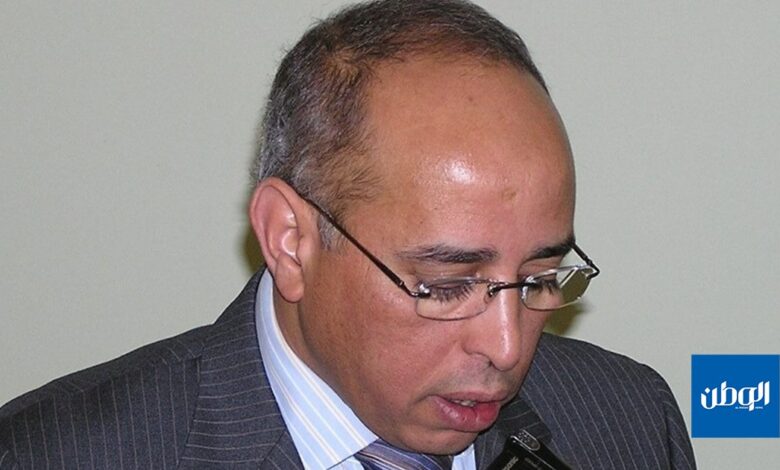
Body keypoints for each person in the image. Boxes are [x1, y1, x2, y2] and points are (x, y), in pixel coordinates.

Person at [0, 0, 695, 468]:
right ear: (290, 240)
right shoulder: (54, 455)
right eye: (447, 285)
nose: (507, 348)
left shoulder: (631, 421)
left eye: (540, 279)